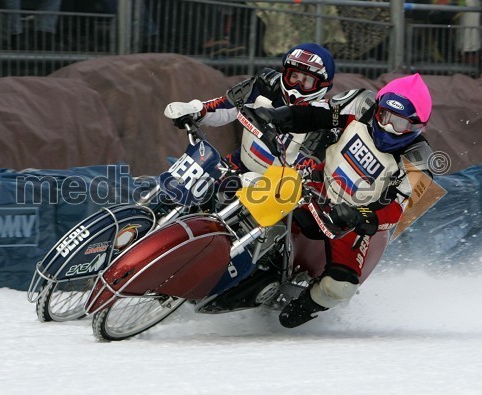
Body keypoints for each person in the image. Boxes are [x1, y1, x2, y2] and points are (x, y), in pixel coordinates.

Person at [253, 73, 434, 328]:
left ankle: (300, 308)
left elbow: (396, 208)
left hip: (349, 220)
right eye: (385, 117)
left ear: (417, 127)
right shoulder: (361, 103)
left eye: (400, 124)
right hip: (314, 182)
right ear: (378, 107)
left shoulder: (422, 161)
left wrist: (360, 215)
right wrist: (279, 117)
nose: (388, 128)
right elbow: (316, 114)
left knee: (341, 287)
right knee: (254, 188)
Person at [166, 43, 336, 174]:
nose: (297, 85)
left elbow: (307, 167)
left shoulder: (324, 117)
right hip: (238, 164)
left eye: (306, 81)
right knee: (193, 184)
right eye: (294, 76)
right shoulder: (265, 85)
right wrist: (196, 110)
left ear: (322, 86)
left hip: (274, 192)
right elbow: (225, 106)